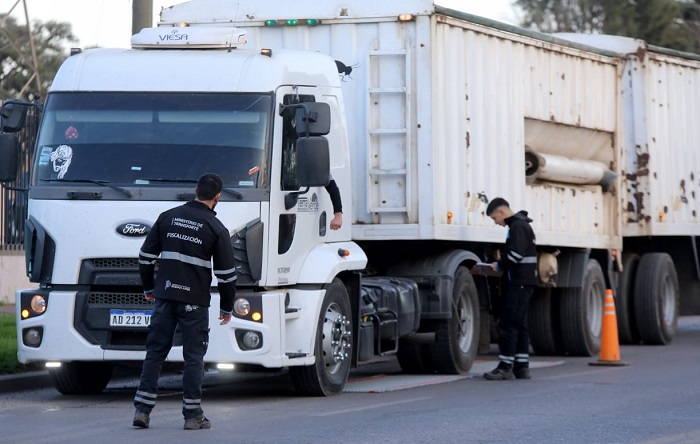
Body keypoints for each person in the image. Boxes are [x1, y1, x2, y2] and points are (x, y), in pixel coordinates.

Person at [132, 173, 237, 430]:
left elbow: (145, 257)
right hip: (195, 303)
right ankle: (193, 416)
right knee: (193, 358)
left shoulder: (168, 217)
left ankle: (142, 411)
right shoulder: (216, 228)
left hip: (165, 297)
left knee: (155, 353)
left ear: (195, 190)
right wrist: (226, 307)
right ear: (217, 197)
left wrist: (149, 287)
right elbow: (227, 275)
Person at [483, 197, 538, 381]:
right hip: (522, 282)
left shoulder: (518, 227)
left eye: (494, 218)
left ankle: (505, 367)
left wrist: (498, 266)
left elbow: (515, 254)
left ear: (501, 212)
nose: (496, 223)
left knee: (509, 325)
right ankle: (522, 367)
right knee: (520, 325)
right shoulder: (520, 226)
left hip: (518, 283)